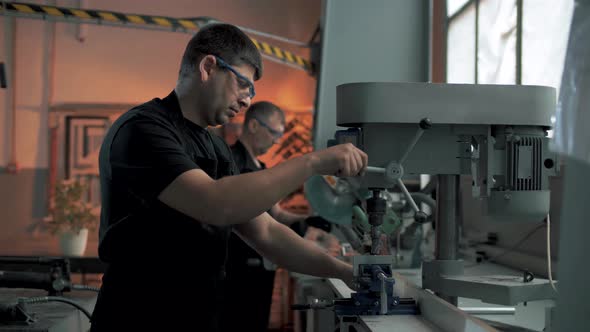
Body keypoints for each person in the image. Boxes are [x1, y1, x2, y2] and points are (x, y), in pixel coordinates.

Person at [91, 23, 367, 331]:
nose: (248, 100)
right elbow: (214, 203)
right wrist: (313, 162)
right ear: (209, 67)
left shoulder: (215, 147)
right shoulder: (144, 130)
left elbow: (267, 233)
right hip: (139, 316)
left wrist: (344, 271)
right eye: (243, 85)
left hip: (199, 315)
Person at [221, 101, 331, 331]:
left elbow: (275, 214)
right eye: (274, 133)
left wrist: (306, 222)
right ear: (253, 125)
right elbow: (257, 221)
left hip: (260, 266)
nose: (277, 140)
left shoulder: (259, 167)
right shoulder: (230, 163)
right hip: (236, 270)